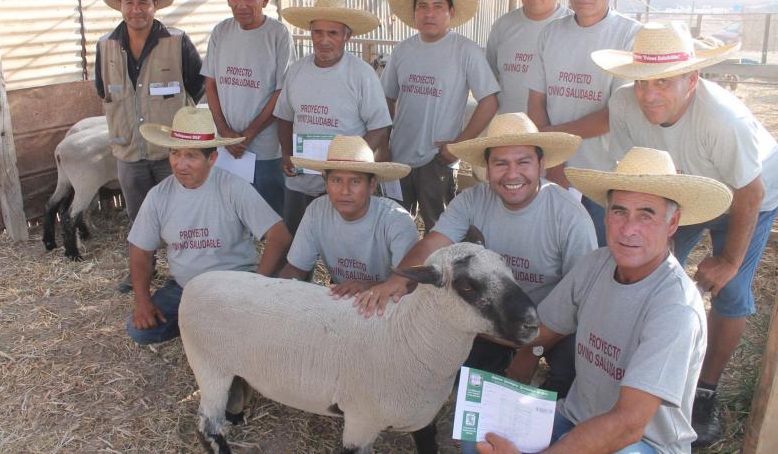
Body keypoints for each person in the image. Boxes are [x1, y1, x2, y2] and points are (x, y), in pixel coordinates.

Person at [479, 147, 732, 454]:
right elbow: (546, 327)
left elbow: (629, 424)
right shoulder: (596, 264)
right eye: (619, 211)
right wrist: (525, 360)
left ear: (673, 222)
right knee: (481, 436)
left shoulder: (675, 308)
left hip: (642, 443)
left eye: (646, 214)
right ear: (606, 214)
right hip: (577, 417)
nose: (628, 229)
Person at [597, 21, 778, 446]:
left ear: (692, 79)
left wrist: (729, 260)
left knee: (730, 291)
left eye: (664, 81)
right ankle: (639, 373)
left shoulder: (722, 120)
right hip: (685, 190)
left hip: (750, 194)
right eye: (642, 82)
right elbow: (640, 178)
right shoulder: (623, 106)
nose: (650, 94)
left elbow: (749, 194)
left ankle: (704, 392)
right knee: (651, 273)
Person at [347, 114, 595, 398]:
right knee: (463, 376)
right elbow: (434, 244)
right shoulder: (472, 200)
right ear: (487, 169)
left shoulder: (570, 216)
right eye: (501, 163)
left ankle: (554, 420)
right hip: (491, 317)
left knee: (572, 370)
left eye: (523, 162)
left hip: (551, 323)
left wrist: (532, 352)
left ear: (541, 165)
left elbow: (578, 299)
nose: (512, 174)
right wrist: (396, 281)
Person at [125, 106, 292, 345]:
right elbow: (140, 251)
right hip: (186, 289)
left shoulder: (232, 187)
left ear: (212, 158)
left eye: (191, 156)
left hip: (235, 286)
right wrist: (142, 301)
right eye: (175, 153)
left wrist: (256, 284)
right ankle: (206, 326)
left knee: (254, 333)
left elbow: (280, 235)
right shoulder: (158, 196)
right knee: (140, 331)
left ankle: (211, 327)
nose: (180, 164)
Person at [525, 0, 647, 245]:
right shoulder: (551, 33)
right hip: (555, 168)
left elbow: (616, 114)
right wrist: (551, 157)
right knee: (554, 248)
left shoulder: (630, 35)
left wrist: (555, 144)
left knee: (604, 252)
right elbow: (536, 100)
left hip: (606, 172)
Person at [95, 0, 205, 292]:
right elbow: (104, 92)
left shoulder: (177, 41)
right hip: (128, 153)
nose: (136, 10)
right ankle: (142, 272)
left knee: (180, 215)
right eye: (130, 2)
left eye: (143, 2)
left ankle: (183, 274)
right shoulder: (105, 47)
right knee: (138, 218)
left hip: (170, 153)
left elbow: (198, 89)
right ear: (120, 6)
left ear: (155, 5)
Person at [382, 0, 500, 231]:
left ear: (451, 12)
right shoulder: (402, 50)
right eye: (422, 7)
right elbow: (387, 98)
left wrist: (459, 144)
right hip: (399, 156)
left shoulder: (464, 50)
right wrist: (385, 144)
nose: (429, 13)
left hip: (438, 158)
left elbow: (489, 101)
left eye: (438, 7)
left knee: (441, 228)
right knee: (395, 224)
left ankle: (442, 272)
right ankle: (403, 271)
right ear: (414, 14)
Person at [275, 0, 392, 234]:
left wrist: (351, 164)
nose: (324, 40)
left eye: (333, 33)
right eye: (318, 32)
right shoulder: (296, 71)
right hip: (301, 180)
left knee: (342, 246)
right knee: (297, 240)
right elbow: (285, 117)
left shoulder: (361, 74)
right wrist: (287, 153)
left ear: (347, 36)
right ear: (310, 33)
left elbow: (380, 125)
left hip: (344, 186)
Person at [202, 0, 295, 215]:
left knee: (271, 212)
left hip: (264, 146)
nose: (241, 4)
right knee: (231, 211)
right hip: (228, 144)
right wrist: (223, 131)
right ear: (228, 0)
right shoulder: (221, 31)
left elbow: (282, 92)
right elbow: (210, 83)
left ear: (264, 0)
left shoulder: (278, 35)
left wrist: (250, 133)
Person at [278, 135, 418, 294]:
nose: (345, 191)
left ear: (371, 185)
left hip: (387, 307)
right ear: (326, 182)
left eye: (355, 181)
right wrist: (279, 292)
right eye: (336, 180)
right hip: (341, 302)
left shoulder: (396, 220)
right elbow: (296, 268)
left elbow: (410, 284)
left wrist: (369, 287)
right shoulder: (316, 211)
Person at [488, 0, 572, 114]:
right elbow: (491, 77)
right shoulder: (503, 26)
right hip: (509, 131)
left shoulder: (574, 27)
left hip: (555, 133)